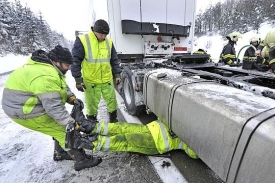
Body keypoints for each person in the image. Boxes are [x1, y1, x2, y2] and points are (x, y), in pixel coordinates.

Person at [1, 45, 102, 171]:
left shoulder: (50, 68)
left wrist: (71, 98)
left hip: (23, 103)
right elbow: (54, 108)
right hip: (23, 109)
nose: (69, 68)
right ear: (56, 62)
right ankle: (81, 160)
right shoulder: (45, 75)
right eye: (67, 65)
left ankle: (60, 153)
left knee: (58, 126)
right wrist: (71, 123)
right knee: (65, 131)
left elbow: (60, 86)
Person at [65, 101, 198, 170]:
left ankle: (85, 142)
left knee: (124, 140)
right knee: (121, 127)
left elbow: (195, 153)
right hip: (150, 128)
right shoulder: (185, 118)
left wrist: (195, 137)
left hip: (156, 142)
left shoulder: (196, 138)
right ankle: (87, 125)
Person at [71, 19, 122, 123]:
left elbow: (114, 59)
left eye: (105, 35)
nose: (104, 37)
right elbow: (75, 61)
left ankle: (113, 120)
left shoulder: (109, 42)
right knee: (92, 106)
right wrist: (78, 79)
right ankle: (92, 124)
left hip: (107, 80)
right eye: (101, 35)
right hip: (91, 81)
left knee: (112, 103)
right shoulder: (83, 40)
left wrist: (117, 74)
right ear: (95, 30)